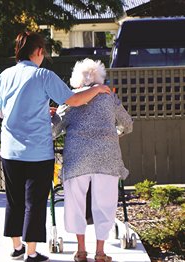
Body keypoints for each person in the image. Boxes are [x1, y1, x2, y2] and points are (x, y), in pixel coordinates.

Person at [0, 32, 111, 262]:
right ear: (38, 51)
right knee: (34, 203)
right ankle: (31, 252)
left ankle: (16, 247)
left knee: (14, 199)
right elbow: (74, 100)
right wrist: (97, 89)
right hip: (37, 152)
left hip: (9, 150)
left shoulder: (4, 76)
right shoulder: (43, 75)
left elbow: (1, 112)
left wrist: (34, 111)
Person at [52, 58, 133, 262]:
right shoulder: (109, 98)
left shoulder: (70, 101)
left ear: (76, 79)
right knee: (104, 203)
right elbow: (128, 124)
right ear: (100, 77)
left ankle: (80, 251)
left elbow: (53, 131)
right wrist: (115, 132)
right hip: (107, 157)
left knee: (75, 203)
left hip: (77, 158)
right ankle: (100, 252)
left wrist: (51, 117)